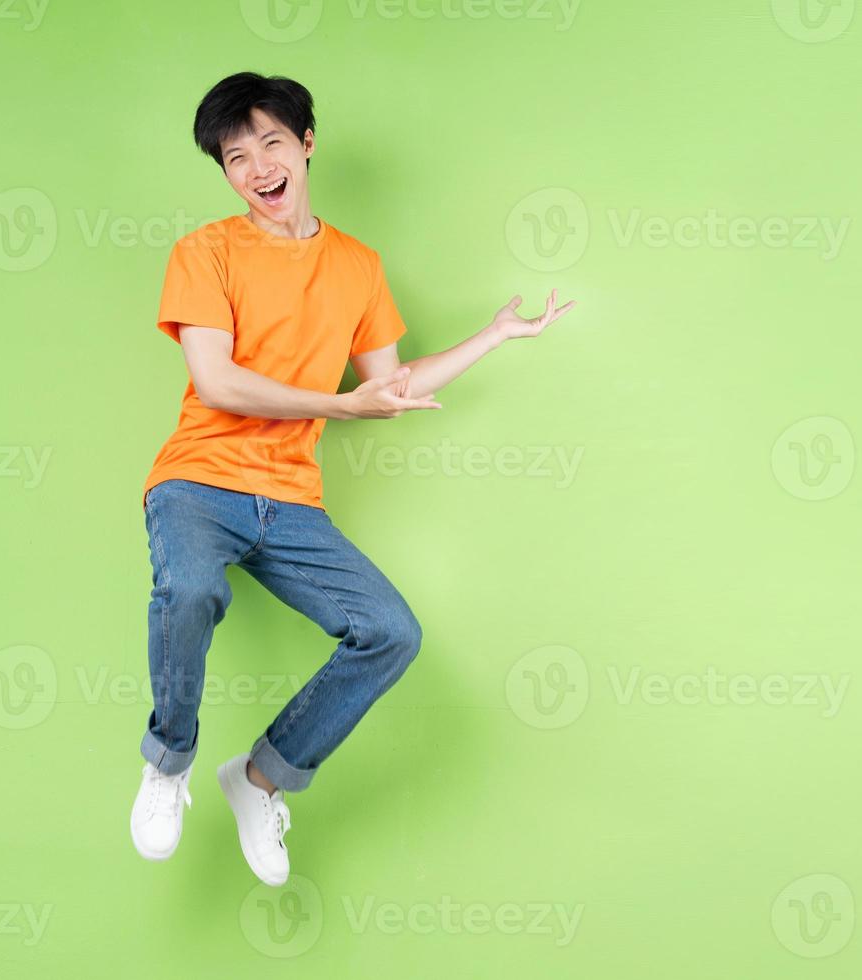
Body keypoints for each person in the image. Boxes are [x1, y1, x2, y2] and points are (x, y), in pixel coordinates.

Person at [128, 71, 575, 886]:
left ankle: (259, 779)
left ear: (305, 144)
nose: (258, 167)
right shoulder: (206, 251)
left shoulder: (356, 265)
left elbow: (390, 383)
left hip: (290, 501)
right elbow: (219, 382)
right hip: (199, 480)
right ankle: (169, 764)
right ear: (225, 174)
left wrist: (497, 335)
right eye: (236, 156)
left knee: (391, 633)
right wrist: (336, 406)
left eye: (270, 142)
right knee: (190, 592)